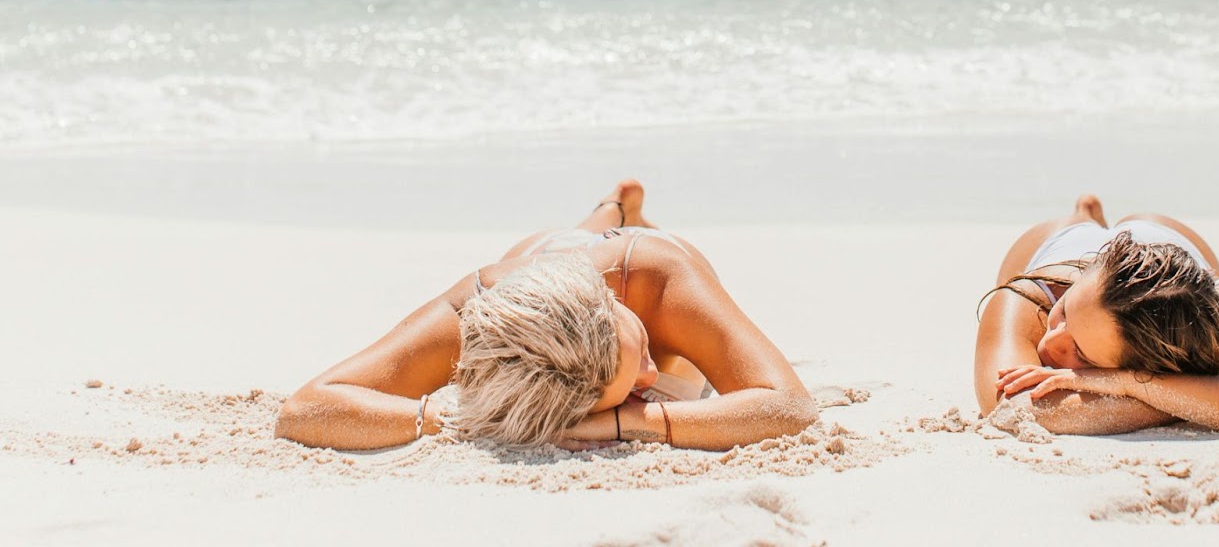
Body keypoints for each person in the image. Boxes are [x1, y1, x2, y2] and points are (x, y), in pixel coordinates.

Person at [276, 180, 817, 451]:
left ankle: (621, 210)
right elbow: (305, 409)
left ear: (612, 302)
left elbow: (790, 407)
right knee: (562, 241)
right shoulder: (485, 308)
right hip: (538, 263)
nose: (650, 376)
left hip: (630, 256)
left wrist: (632, 417)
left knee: (599, 240)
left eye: (637, 355)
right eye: (631, 384)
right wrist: (457, 423)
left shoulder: (659, 274)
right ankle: (609, 207)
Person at [974, 194, 1219, 439]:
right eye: (1064, 314)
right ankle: (1086, 215)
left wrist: (1129, 384)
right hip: (1061, 244)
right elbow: (1012, 409)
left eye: (1081, 353)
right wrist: (1199, 395)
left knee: (1147, 231)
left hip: (1168, 244)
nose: (1050, 342)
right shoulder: (1029, 299)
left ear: (1153, 362)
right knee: (1075, 223)